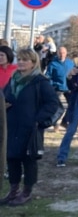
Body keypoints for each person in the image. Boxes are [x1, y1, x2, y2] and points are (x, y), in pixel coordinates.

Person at [1, 48, 59, 206]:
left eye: (25, 60)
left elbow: (53, 103)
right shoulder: (14, 79)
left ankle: (27, 192)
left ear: (34, 63)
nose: (20, 62)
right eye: (19, 59)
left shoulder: (40, 81)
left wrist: (38, 120)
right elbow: (5, 97)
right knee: (12, 158)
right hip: (12, 126)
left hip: (30, 128)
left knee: (28, 160)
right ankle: (13, 191)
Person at [45, 46, 75, 130]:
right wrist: (51, 86)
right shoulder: (53, 63)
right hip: (57, 88)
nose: (62, 55)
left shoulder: (70, 63)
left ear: (66, 53)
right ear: (57, 53)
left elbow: (74, 74)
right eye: (60, 53)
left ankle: (65, 122)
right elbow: (48, 76)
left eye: (63, 53)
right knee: (56, 107)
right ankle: (54, 123)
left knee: (73, 105)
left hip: (68, 88)